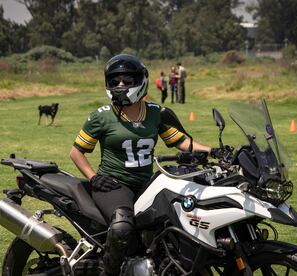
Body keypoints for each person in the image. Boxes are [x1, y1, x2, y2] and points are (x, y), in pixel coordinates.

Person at [70, 54, 211, 276]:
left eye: (127, 80)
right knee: (122, 226)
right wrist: (93, 177)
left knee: (178, 218)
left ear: (140, 81)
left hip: (148, 183)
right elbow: (76, 151)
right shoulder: (101, 116)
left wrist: (214, 151)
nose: (120, 85)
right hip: (114, 184)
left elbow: (182, 142)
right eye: (115, 81)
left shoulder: (155, 113)